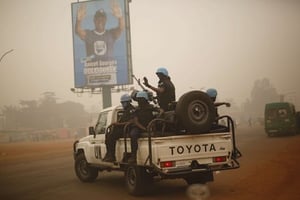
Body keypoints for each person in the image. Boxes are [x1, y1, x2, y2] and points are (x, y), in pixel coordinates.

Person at [103, 94, 136, 162]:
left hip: (126, 129)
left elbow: (130, 122)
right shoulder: (126, 110)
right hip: (122, 129)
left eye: (123, 102)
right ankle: (109, 154)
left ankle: (112, 156)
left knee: (111, 137)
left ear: (128, 102)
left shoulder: (131, 110)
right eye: (122, 103)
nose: (122, 104)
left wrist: (118, 124)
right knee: (108, 135)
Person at [128, 91, 156, 164]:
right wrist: (144, 129)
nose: (140, 101)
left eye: (141, 99)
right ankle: (133, 156)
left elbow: (156, 117)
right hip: (138, 127)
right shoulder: (136, 109)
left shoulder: (152, 108)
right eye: (139, 99)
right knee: (133, 134)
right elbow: (135, 122)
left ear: (145, 99)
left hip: (150, 126)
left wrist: (160, 111)